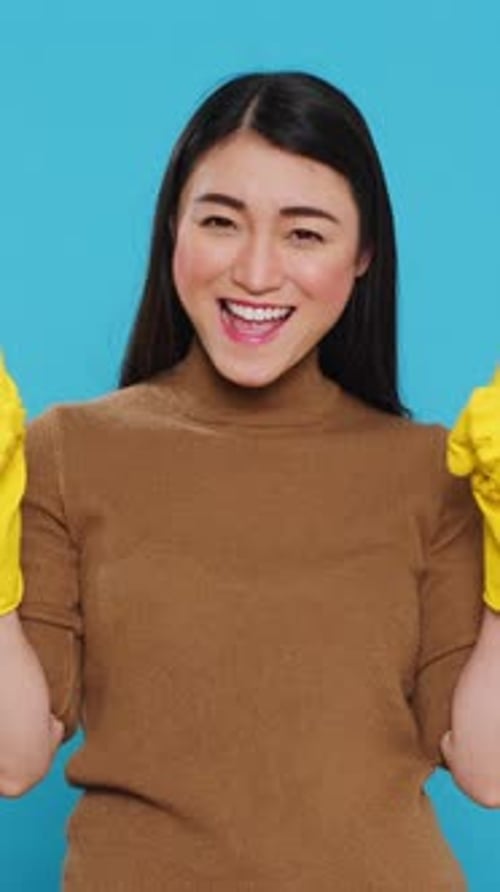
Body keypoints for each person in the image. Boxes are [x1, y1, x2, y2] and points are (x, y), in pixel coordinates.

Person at [0, 71, 499, 891]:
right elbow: (15, 760)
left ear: (364, 252)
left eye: (305, 234)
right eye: (222, 222)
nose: (257, 273)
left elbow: (487, 770)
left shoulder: (435, 471)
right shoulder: (69, 451)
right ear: (174, 227)